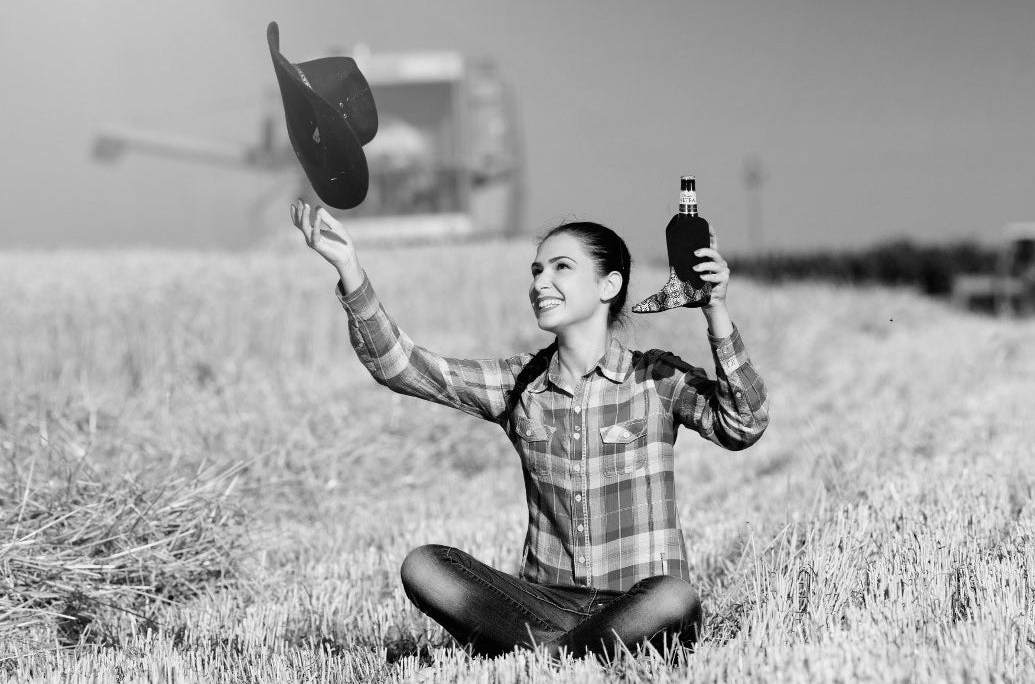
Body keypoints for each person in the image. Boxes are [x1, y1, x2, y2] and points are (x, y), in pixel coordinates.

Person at [290, 199, 770, 663]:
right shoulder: (519, 383)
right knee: (425, 566)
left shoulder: (655, 378)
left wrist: (715, 311)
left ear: (609, 285)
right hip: (545, 606)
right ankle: (569, 655)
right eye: (536, 271)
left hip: (637, 607)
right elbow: (404, 368)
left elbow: (744, 424)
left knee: (674, 597)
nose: (541, 281)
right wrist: (349, 269)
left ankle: (542, 657)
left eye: (561, 267)